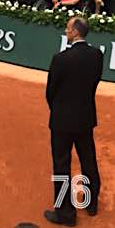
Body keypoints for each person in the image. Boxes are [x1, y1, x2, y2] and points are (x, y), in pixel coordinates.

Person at [43, 17, 103, 226]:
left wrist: (59, 109)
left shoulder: (60, 59)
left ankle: (65, 214)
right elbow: (94, 83)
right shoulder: (97, 55)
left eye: (68, 28)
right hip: (85, 118)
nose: (66, 31)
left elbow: (50, 92)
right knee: (88, 159)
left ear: (76, 32)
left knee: (61, 166)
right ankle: (91, 202)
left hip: (61, 121)